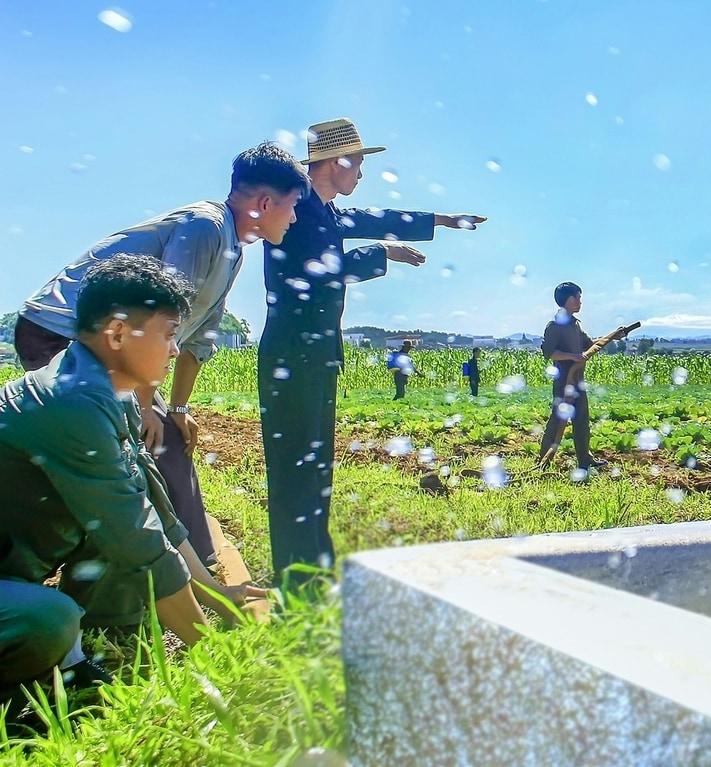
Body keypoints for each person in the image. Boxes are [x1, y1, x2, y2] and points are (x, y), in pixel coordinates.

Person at [17, 142, 307, 568]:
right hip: (61, 333)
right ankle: (156, 564)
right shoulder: (205, 227)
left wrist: (177, 407)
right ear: (266, 203)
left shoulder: (231, 248)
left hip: (117, 346)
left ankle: (189, 559)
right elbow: (155, 319)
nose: (296, 217)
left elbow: (196, 338)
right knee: (128, 446)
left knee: (167, 439)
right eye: (293, 205)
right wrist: (146, 406)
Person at [0, 257, 263, 703]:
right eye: (167, 333)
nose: (176, 349)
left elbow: (152, 512)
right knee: (49, 619)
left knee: (118, 534)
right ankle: (47, 674)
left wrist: (219, 596)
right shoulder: (72, 404)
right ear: (119, 333)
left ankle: (86, 649)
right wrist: (219, 658)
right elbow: (138, 542)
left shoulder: (106, 390)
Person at [259, 117, 487, 578]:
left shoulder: (322, 208)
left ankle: (313, 570)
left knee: (315, 470)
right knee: (296, 474)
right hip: (293, 361)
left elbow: (372, 217)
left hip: (313, 358)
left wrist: (439, 220)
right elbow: (319, 271)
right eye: (358, 163)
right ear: (336, 161)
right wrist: (380, 253)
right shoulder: (298, 209)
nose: (361, 173)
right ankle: (297, 576)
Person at [539, 282, 608, 472]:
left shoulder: (576, 325)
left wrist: (610, 337)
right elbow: (550, 353)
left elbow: (589, 344)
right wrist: (572, 356)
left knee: (582, 420)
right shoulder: (554, 326)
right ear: (567, 300)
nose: (580, 301)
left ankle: (585, 459)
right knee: (557, 420)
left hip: (578, 381)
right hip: (563, 382)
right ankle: (543, 460)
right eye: (577, 297)